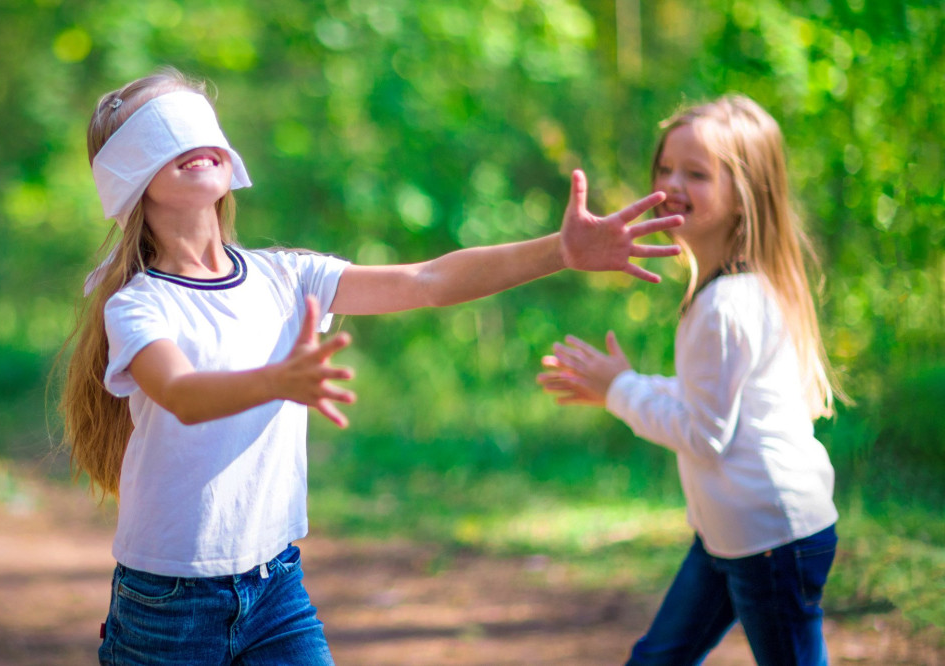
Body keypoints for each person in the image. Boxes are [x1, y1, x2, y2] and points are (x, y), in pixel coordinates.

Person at [58, 66, 682, 665]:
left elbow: (428, 280)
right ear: (127, 175)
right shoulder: (138, 305)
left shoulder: (285, 275)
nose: (193, 144)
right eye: (162, 133)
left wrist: (562, 251)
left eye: (198, 128)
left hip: (274, 582)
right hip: (168, 604)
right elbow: (182, 393)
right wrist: (276, 381)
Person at [537, 95, 844, 665]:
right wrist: (627, 384)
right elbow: (708, 399)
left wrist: (619, 391)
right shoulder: (737, 289)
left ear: (744, 195)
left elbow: (706, 434)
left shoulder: (725, 305)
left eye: (696, 174)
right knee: (659, 657)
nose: (672, 182)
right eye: (664, 168)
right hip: (734, 534)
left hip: (769, 540)